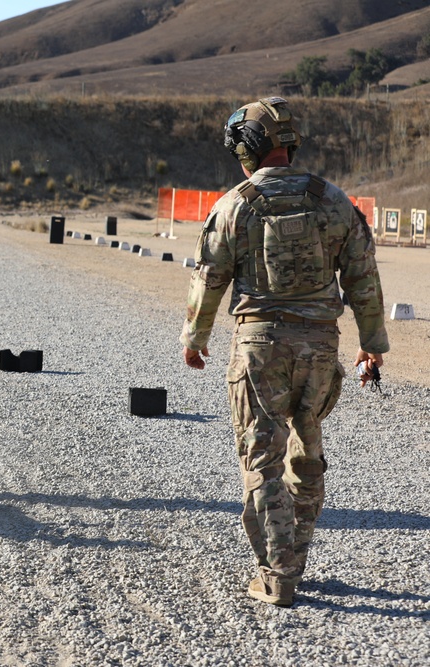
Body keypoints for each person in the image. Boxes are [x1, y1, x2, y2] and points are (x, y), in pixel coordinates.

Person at [179, 97, 389, 607]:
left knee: (262, 461)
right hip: (320, 349)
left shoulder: (235, 204)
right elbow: (363, 277)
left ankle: (278, 577)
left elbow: (210, 278)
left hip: (259, 350)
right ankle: (293, 556)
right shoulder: (334, 200)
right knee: (307, 453)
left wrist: (195, 337)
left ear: (247, 149)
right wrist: (372, 346)